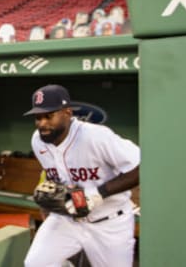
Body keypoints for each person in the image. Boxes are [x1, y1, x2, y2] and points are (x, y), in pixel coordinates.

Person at [23, 84, 140, 267]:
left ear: (67, 112)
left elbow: (142, 166)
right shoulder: (38, 141)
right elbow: (54, 175)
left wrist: (97, 194)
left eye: (48, 116)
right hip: (66, 219)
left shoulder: (96, 137)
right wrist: (49, 204)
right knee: (36, 263)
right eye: (37, 117)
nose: (42, 123)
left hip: (109, 223)